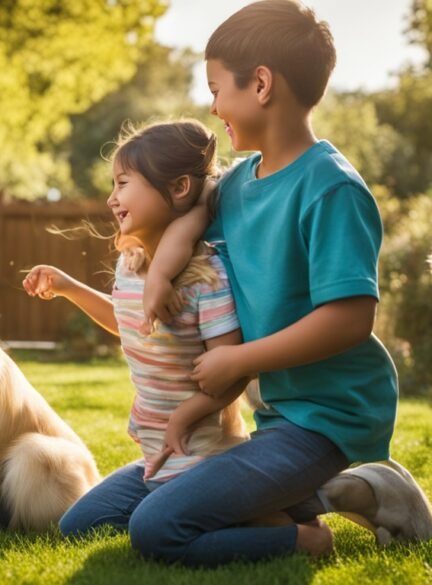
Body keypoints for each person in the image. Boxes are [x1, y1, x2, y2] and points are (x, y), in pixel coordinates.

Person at [131, 0, 426, 565]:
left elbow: (349, 318)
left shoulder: (331, 189)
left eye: (217, 89)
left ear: (261, 84)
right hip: (278, 416)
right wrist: (163, 270)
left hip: (328, 416)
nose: (213, 105)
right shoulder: (241, 180)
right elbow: (194, 214)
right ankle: (341, 492)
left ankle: (330, 516)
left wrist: (239, 362)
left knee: (157, 527)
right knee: (115, 510)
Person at [23, 119, 252, 504]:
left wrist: (185, 415)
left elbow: (232, 371)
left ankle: (300, 529)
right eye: (113, 184)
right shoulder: (129, 265)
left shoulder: (206, 278)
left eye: (124, 183)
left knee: (160, 532)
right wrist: (68, 287)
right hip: (156, 451)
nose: (112, 198)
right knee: (80, 523)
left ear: (179, 188)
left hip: (202, 454)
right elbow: (127, 324)